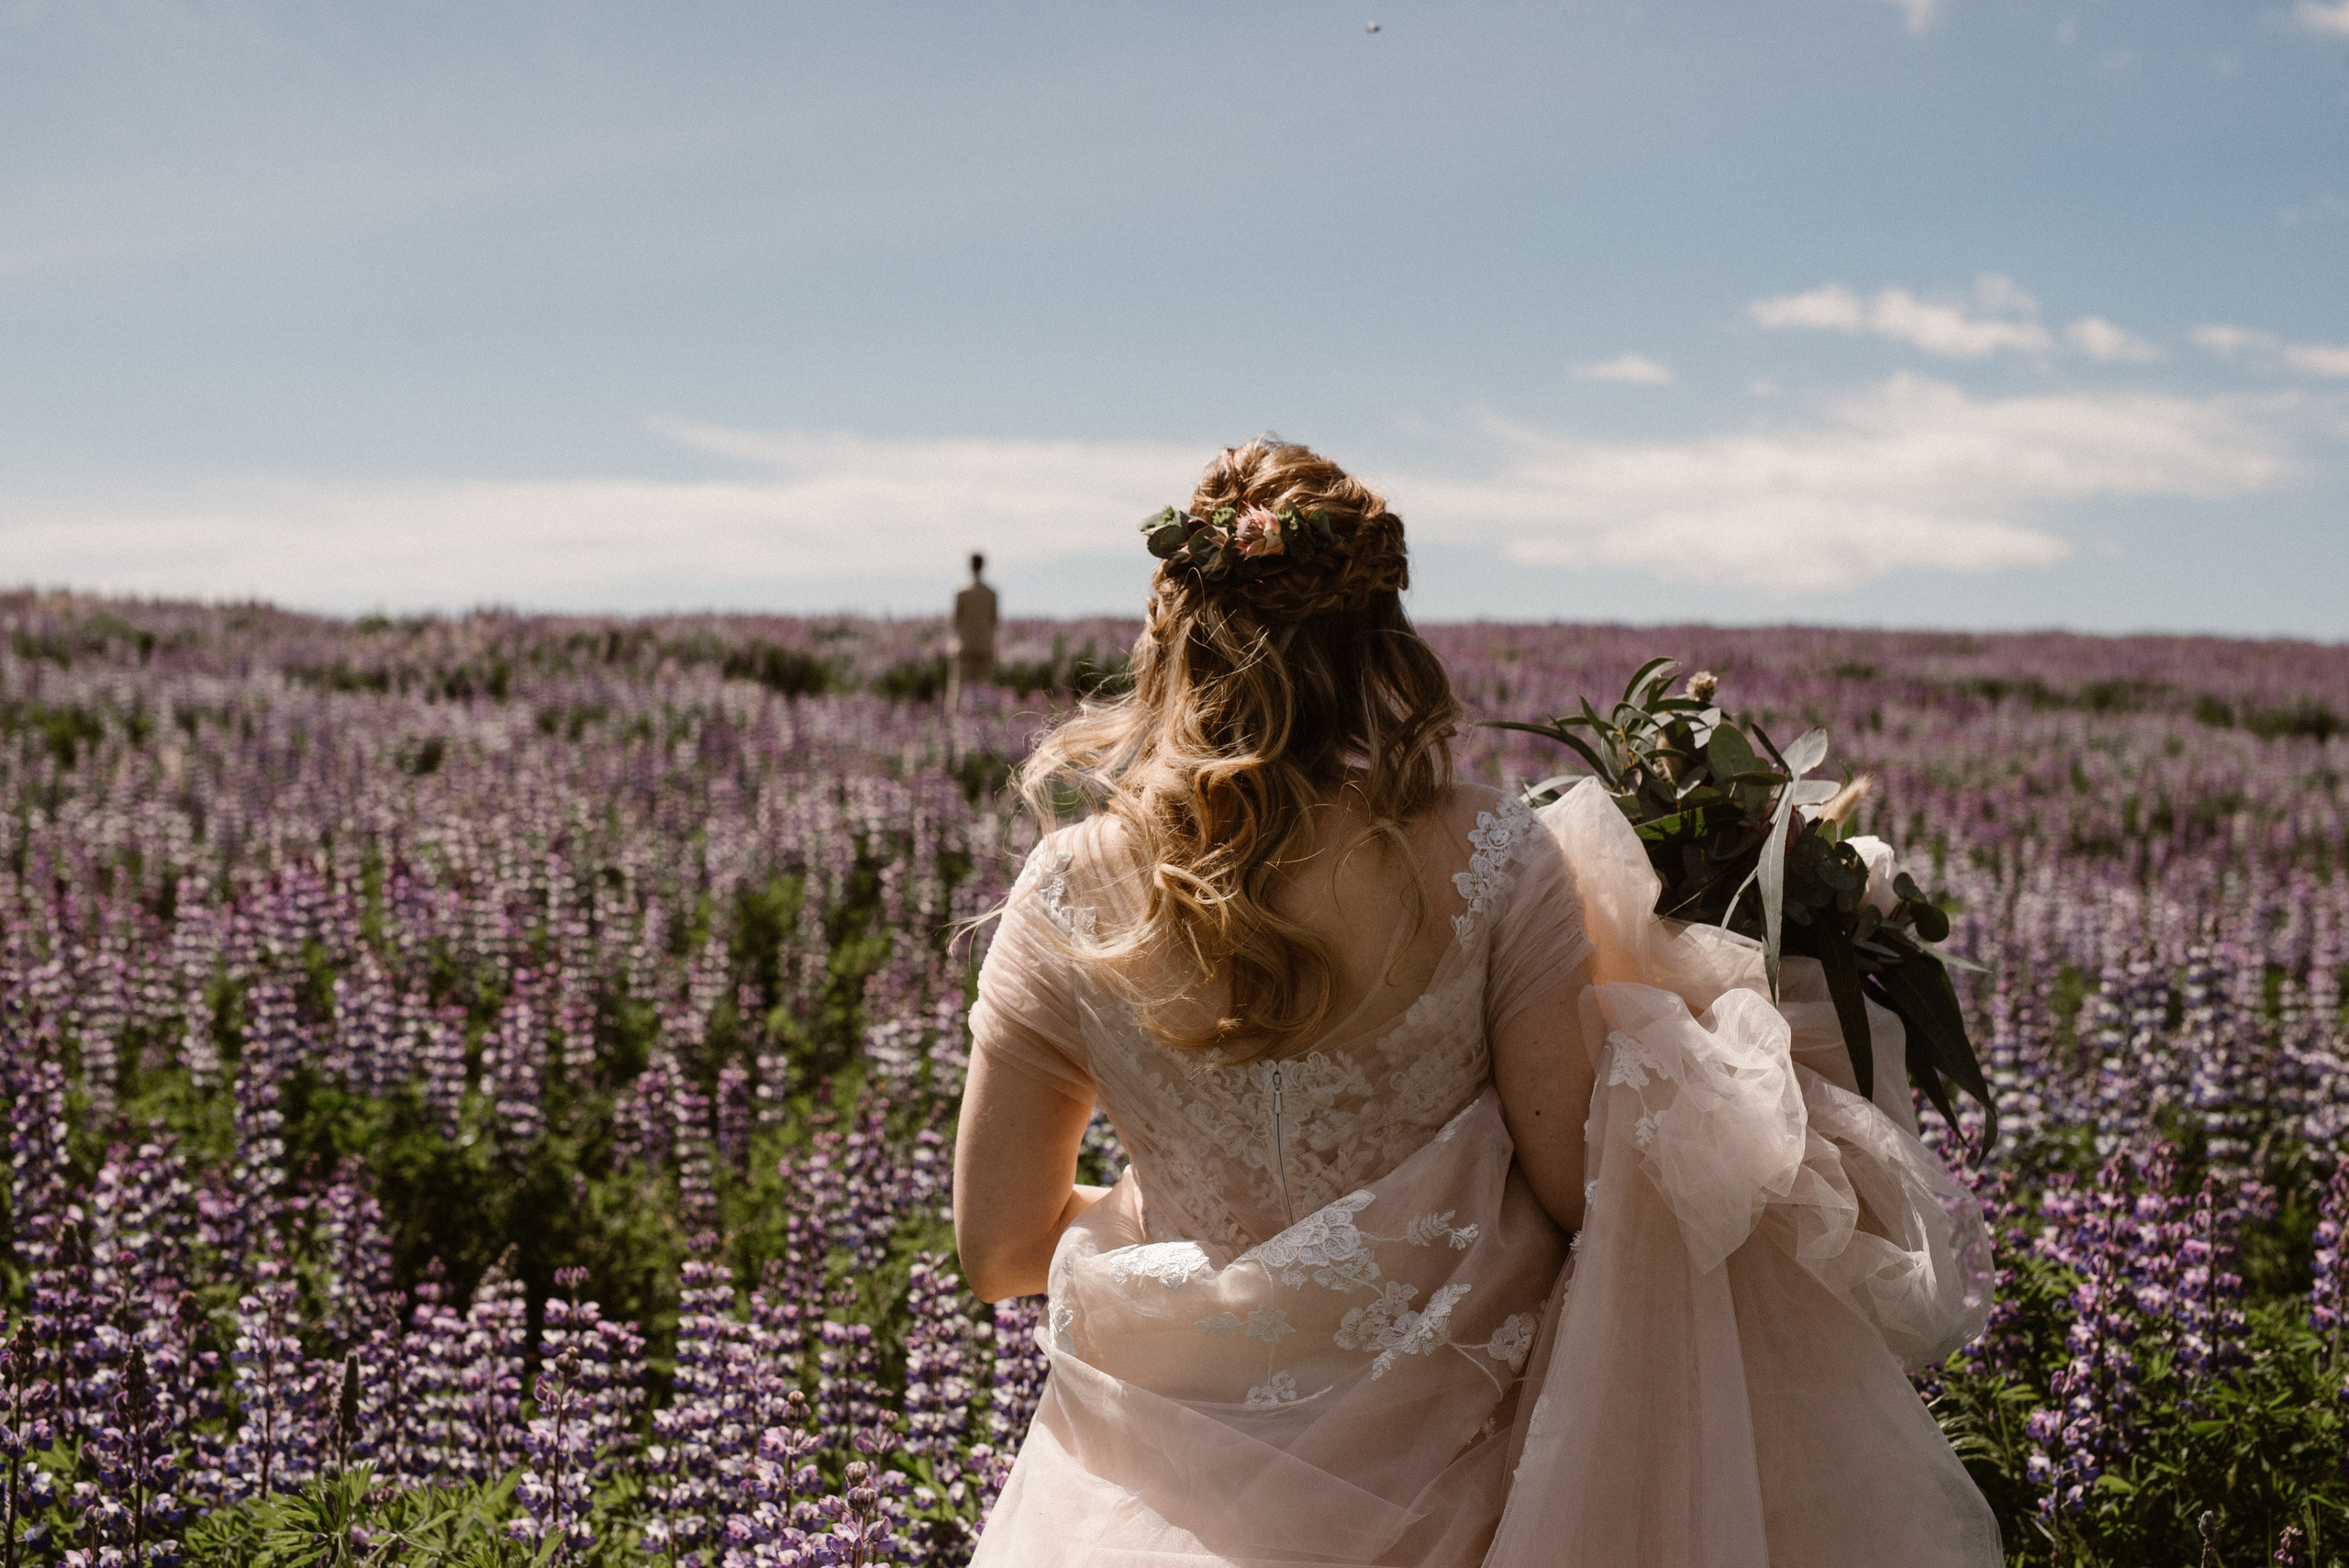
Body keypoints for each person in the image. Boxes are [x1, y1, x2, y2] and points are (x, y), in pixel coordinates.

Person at [955, 438, 1999, 1566]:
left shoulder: (1068, 885)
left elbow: (999, 1246)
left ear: (1170, 635)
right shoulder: (1491, 851)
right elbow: (1573, 1191)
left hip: (1155, 1488)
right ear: (1382, 645)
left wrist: (1184, 1240)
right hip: (1470, 1481)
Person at [949, 551, 999, 708]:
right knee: (985, 690)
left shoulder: (962, 592)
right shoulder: (991, 594)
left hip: (965, 646)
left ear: (971, 566)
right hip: (985, 646)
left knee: (959, 689)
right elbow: (994, 621)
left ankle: (955, 724)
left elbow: (955, 621)